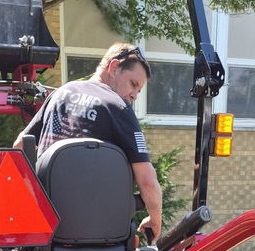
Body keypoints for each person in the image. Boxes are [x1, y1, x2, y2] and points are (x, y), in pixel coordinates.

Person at [14, 42, 162, 240]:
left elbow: (19, 147)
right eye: (133, 84)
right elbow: (147, 179)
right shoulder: (118, 107)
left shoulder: (60, 93)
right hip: (101, 232)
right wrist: (155, 219)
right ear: (113, 67)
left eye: (139, 90)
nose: (134, 95)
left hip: (45, 228)